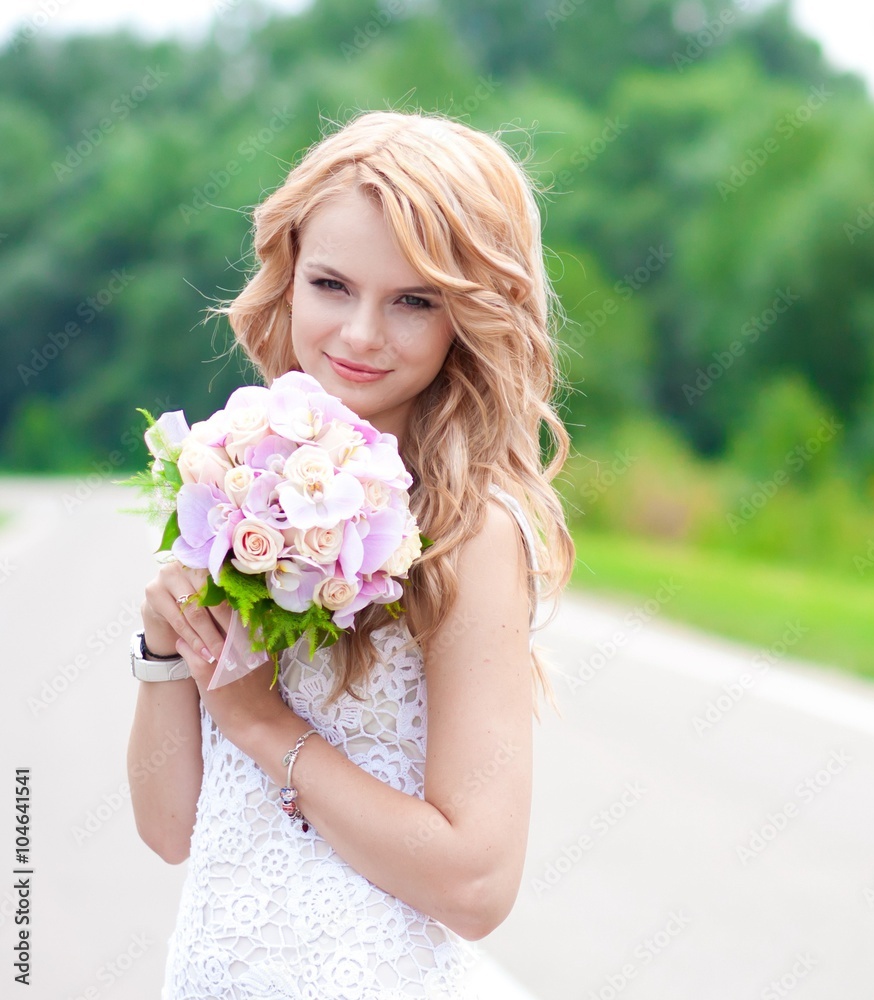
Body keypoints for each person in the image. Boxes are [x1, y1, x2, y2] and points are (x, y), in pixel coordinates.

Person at [126, 107, 576, 999]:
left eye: (414, 300)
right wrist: (161, 652)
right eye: (332, 285)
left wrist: (262, 726)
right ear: (287, 280)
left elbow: (476, 884)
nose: (362, 335)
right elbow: (172, 829)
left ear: (471, 318)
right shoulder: (234, 482)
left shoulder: (468, 534)